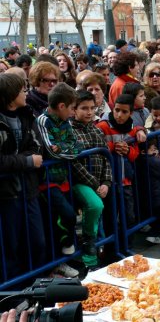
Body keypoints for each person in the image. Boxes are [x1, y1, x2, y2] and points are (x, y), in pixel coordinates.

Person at [0, 74, 46, 279]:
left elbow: (37, 147)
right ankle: (15, 291)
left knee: (37, 241)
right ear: (10, 96)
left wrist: (16, 160)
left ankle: (36, 282)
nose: (26, 93)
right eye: (22, 90)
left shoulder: (26, 115)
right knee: (11, 244)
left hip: (29, 189)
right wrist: (26, 162)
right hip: (7, 194)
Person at [36, 83, 85, 276]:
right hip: (46, 181)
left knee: (65, 217)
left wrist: (61, 148)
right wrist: (63, 150)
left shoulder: (65, 122)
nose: (74, 113)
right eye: (73, 108)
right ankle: (56, 263)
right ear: (62, 106)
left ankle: (63, 261)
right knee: (63, 217)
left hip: (63, 178)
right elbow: (50, 151)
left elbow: (77, 146)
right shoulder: (43, 120)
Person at [70, 90, 110, 269]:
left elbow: (106, 158)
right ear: (74, 109)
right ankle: (88, 248)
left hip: (98, 182)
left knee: (97, 213)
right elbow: (74, 163)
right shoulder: (69, 131)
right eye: (84, 108)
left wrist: (106, 183)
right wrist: (95, 183)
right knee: (95, 205)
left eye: (92, 108)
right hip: (80, 182)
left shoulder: (96, 129)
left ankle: (94, 253)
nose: (89, 112)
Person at [96, 94, 144, 227]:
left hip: (125, 181)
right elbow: (96, 147)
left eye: (124, 112)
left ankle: (127, 242)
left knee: (128, 216)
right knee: (109, 216)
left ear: (131, 113)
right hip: (107, 181)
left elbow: (135, 154)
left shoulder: (132, 129)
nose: (119, 115)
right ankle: (112, 245)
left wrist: (128, 150)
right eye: (117, 110)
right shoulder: (103, 126)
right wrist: (113, 147)